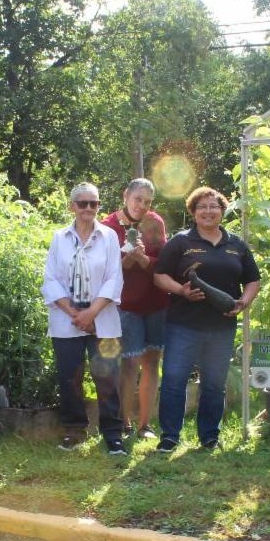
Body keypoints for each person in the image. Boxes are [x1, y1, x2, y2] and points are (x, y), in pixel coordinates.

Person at [153, 186, 260, 452]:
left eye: (214, 207)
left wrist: (244, 302)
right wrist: (181, 290)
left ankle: (210, 436)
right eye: (202, 207)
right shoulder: (181, 242)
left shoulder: (237, 245)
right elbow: (159, 276)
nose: (208, 212)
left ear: (222, 211)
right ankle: (169, 436)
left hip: (221, 325)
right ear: (193, 211)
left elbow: (253, 280)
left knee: (214, 384)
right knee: (174, 380)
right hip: (183, 324)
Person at [41, 182, 126, 455]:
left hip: (106, 322)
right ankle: (74, 430)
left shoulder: (110, 237)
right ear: (72, 207)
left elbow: (115, 277)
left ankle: (113, 434)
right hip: (66, 323)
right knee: (70, 377)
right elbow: (51, 279)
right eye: (83, 203)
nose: (89, 208)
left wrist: (91, 313)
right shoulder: (59, 238)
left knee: (109, 377)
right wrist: (75, 314)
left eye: (94, 203)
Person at [101, 178, 168, 439]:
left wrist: (145, 259)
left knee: (151, 362)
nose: (142, 205)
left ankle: (145, 425)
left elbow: (163, 261)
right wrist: (127, 261)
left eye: (147, 201)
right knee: (128, 364)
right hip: (127, 305)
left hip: (156, 302)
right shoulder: (108, 226)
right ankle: (124, 423)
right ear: (125, 195)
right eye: (138, 199)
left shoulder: (155, 222)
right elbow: (106, 269)